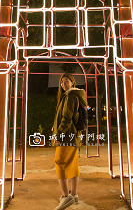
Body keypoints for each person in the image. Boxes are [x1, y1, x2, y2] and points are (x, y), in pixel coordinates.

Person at [52, 73, 87, 210]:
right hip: (73, 135)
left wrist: (58, 135)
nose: (64, 84)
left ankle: (66, 196)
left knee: (59, 161)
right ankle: (74, 194)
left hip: (67, 135)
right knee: (72, 163)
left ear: (73, 82)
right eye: (62, 82)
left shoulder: (70, 96)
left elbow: (66, 117)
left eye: (67, 81)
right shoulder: (73, 95)